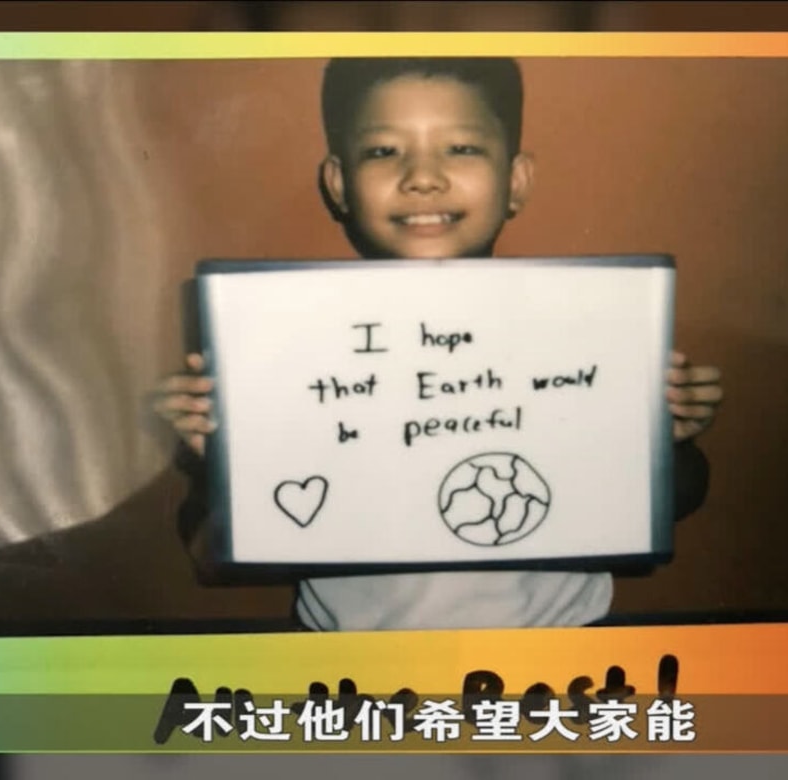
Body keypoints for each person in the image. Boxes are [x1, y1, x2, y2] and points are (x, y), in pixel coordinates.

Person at [151, 58, 725, 632]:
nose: (422, 177)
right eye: (383, 151)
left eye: (461, 148)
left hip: (558, 645)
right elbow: (207, 553)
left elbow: (677, 500)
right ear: (340, 184)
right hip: (354, 657)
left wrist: (664, 440)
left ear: (516, 180)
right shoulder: (285, 348)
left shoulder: (583, 330)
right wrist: (224, 461)